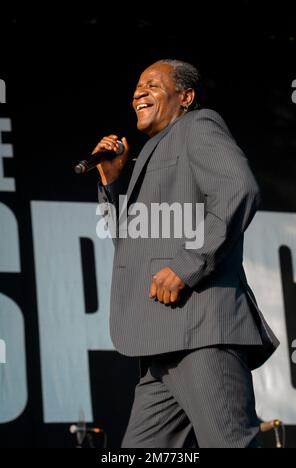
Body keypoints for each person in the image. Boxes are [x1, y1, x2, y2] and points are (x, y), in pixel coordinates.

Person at [94, 59, 279, 448]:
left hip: (200, 332)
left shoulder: (198, 126)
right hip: (162, 345)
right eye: (137, 87)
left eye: (153, 86)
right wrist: (112, 186)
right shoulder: (149, 153)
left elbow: (238, 189)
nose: (138, 93)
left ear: (186, 97)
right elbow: (132, 247)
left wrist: (186, 265)